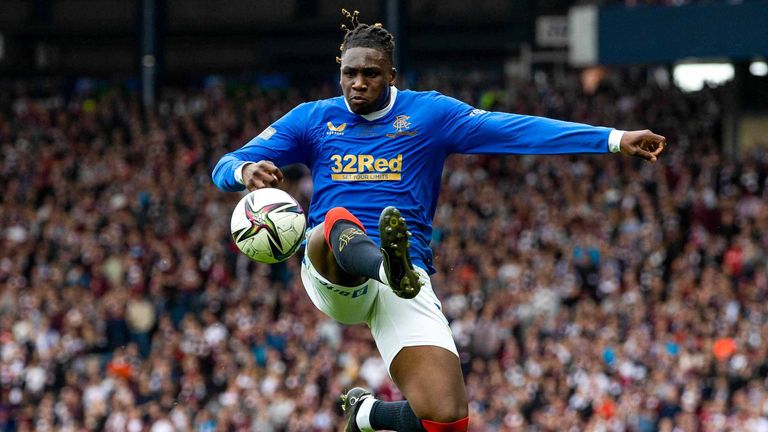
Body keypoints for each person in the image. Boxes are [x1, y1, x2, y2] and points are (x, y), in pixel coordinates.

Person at [211, 9, 666, 432]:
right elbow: (225, 163)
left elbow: (514, 129)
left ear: (391, 75)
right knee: (333, 220)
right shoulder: (313, 119)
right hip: (335, 271)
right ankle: (386, 264)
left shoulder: (429, 114)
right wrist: (245, 170)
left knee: (447, 419)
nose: (358, 83)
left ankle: (366, 413)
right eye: (349, 73)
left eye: (371, 74)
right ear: (340, 72)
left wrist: (614, 138)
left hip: (406, 277)